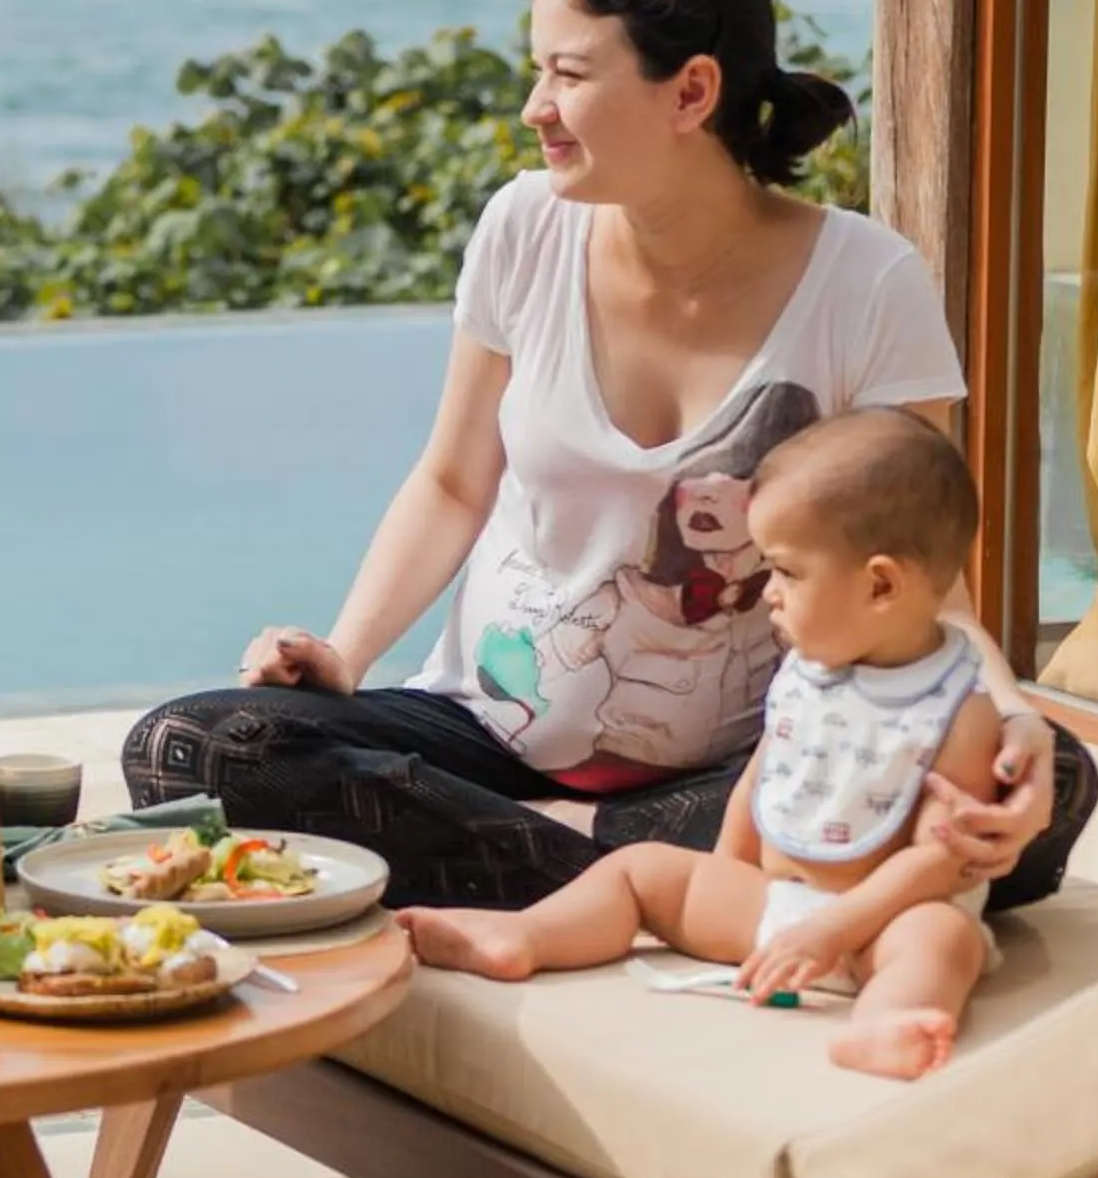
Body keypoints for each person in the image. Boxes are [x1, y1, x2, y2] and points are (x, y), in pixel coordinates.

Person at [123, 0, 1096, 912]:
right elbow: (454, 480)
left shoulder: (866, 282)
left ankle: (622, 872)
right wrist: (344, 653)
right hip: (484, 742)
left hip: (748, 770)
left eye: (570, 74)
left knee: (1052, 782)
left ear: (692, 91)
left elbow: (928, 584)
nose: (535, 107)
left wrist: (1007, 712)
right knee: (189, 750)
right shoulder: (521, 228)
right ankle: (657, 885)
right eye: (538, 70)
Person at [401, 409, 1004, 1081]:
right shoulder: (809, 672)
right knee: (641, 869)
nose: (767, 594)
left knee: (942, 940)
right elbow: (765, 773)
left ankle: (887, 1020)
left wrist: (837, 930)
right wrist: (724, 872)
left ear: (881, 584)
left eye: (787, 572)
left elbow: (939, 863)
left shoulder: (960, 712)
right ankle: (526, 935)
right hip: (772, 906)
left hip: (879, 928)